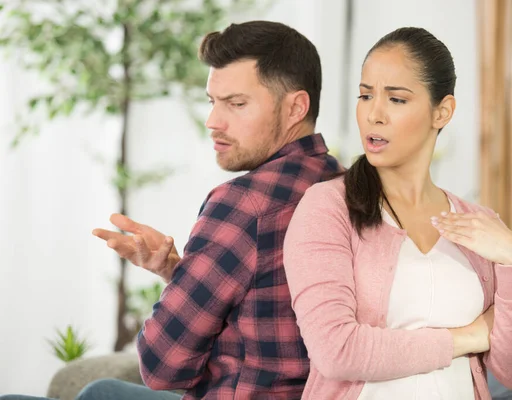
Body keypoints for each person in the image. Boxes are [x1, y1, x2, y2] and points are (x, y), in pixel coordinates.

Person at [0, 20, 342, 400]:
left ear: (296, 106)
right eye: (213, 102)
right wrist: (174, 270)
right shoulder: (342, 183)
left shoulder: (245, 203)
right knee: (102, 390)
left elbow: (163, 368)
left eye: (236, 104)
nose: (214, 122)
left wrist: (180, 285)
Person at [282, 27, 512, 400]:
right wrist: (468, 337)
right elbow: (336, 351)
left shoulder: (480, 225)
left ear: (443, 111)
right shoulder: (326, 207)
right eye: (365, 95)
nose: (374, 114)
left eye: (396, 99)